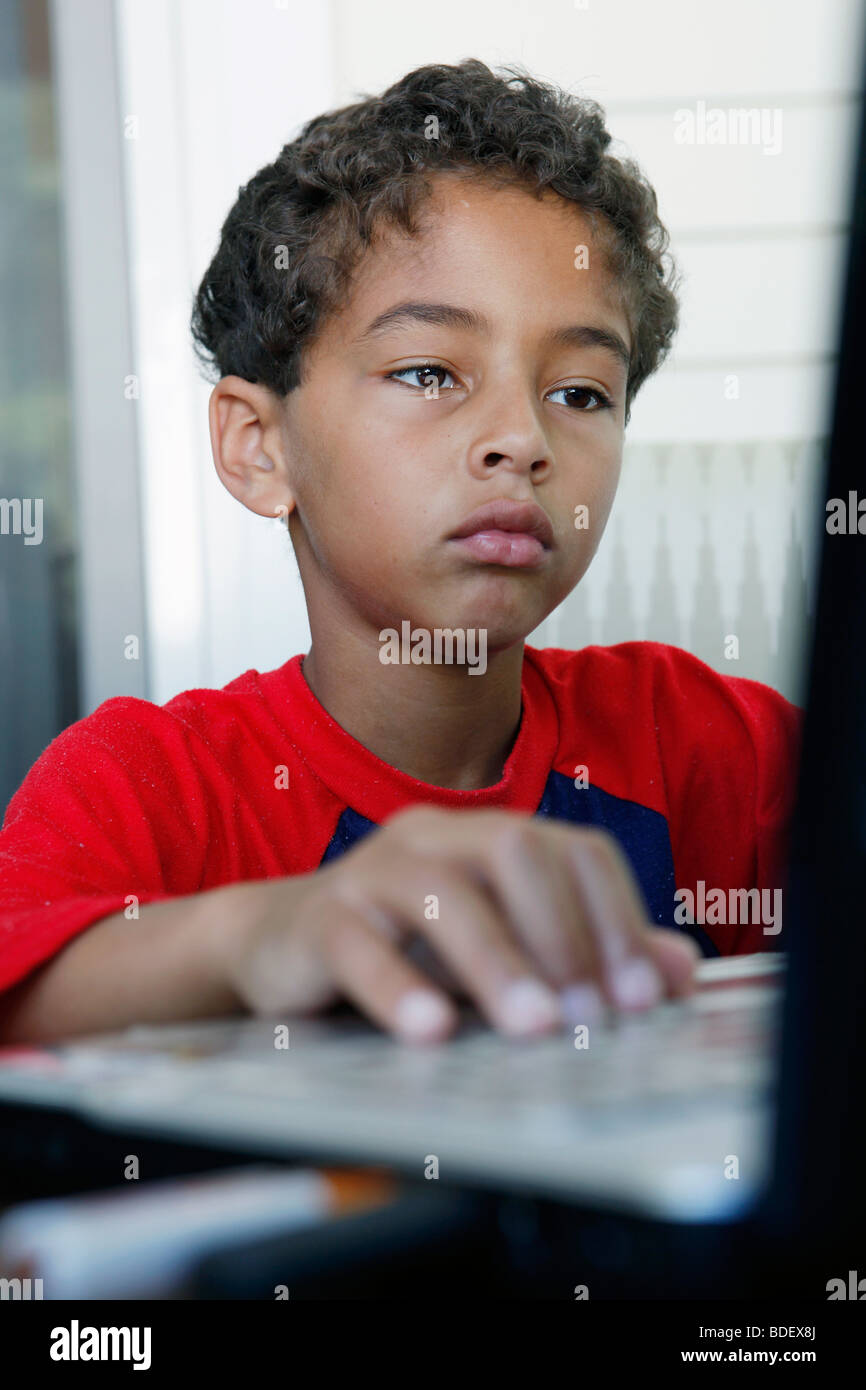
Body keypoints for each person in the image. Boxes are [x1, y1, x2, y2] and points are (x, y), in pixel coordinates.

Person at [0, 60, 800, 1046]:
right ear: (260, 447)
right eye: (428, 371)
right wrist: (264, 932)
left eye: (581, 391)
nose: (522, 437)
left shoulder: (710, 748)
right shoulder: (148, 787)